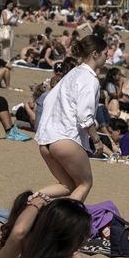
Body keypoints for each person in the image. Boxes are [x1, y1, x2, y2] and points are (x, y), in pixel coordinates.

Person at [35, 34, 107, 201]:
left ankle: (30, 201)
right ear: (95, 53)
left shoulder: (72, 73)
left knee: (67, 185)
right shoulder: (90, 79)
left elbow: (49, 101)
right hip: (65, 139)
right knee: (85, 183)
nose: (107, 57)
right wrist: (96, 140)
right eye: (105, 53)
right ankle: (67, 224)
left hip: (46, 139)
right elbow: (84, 115)